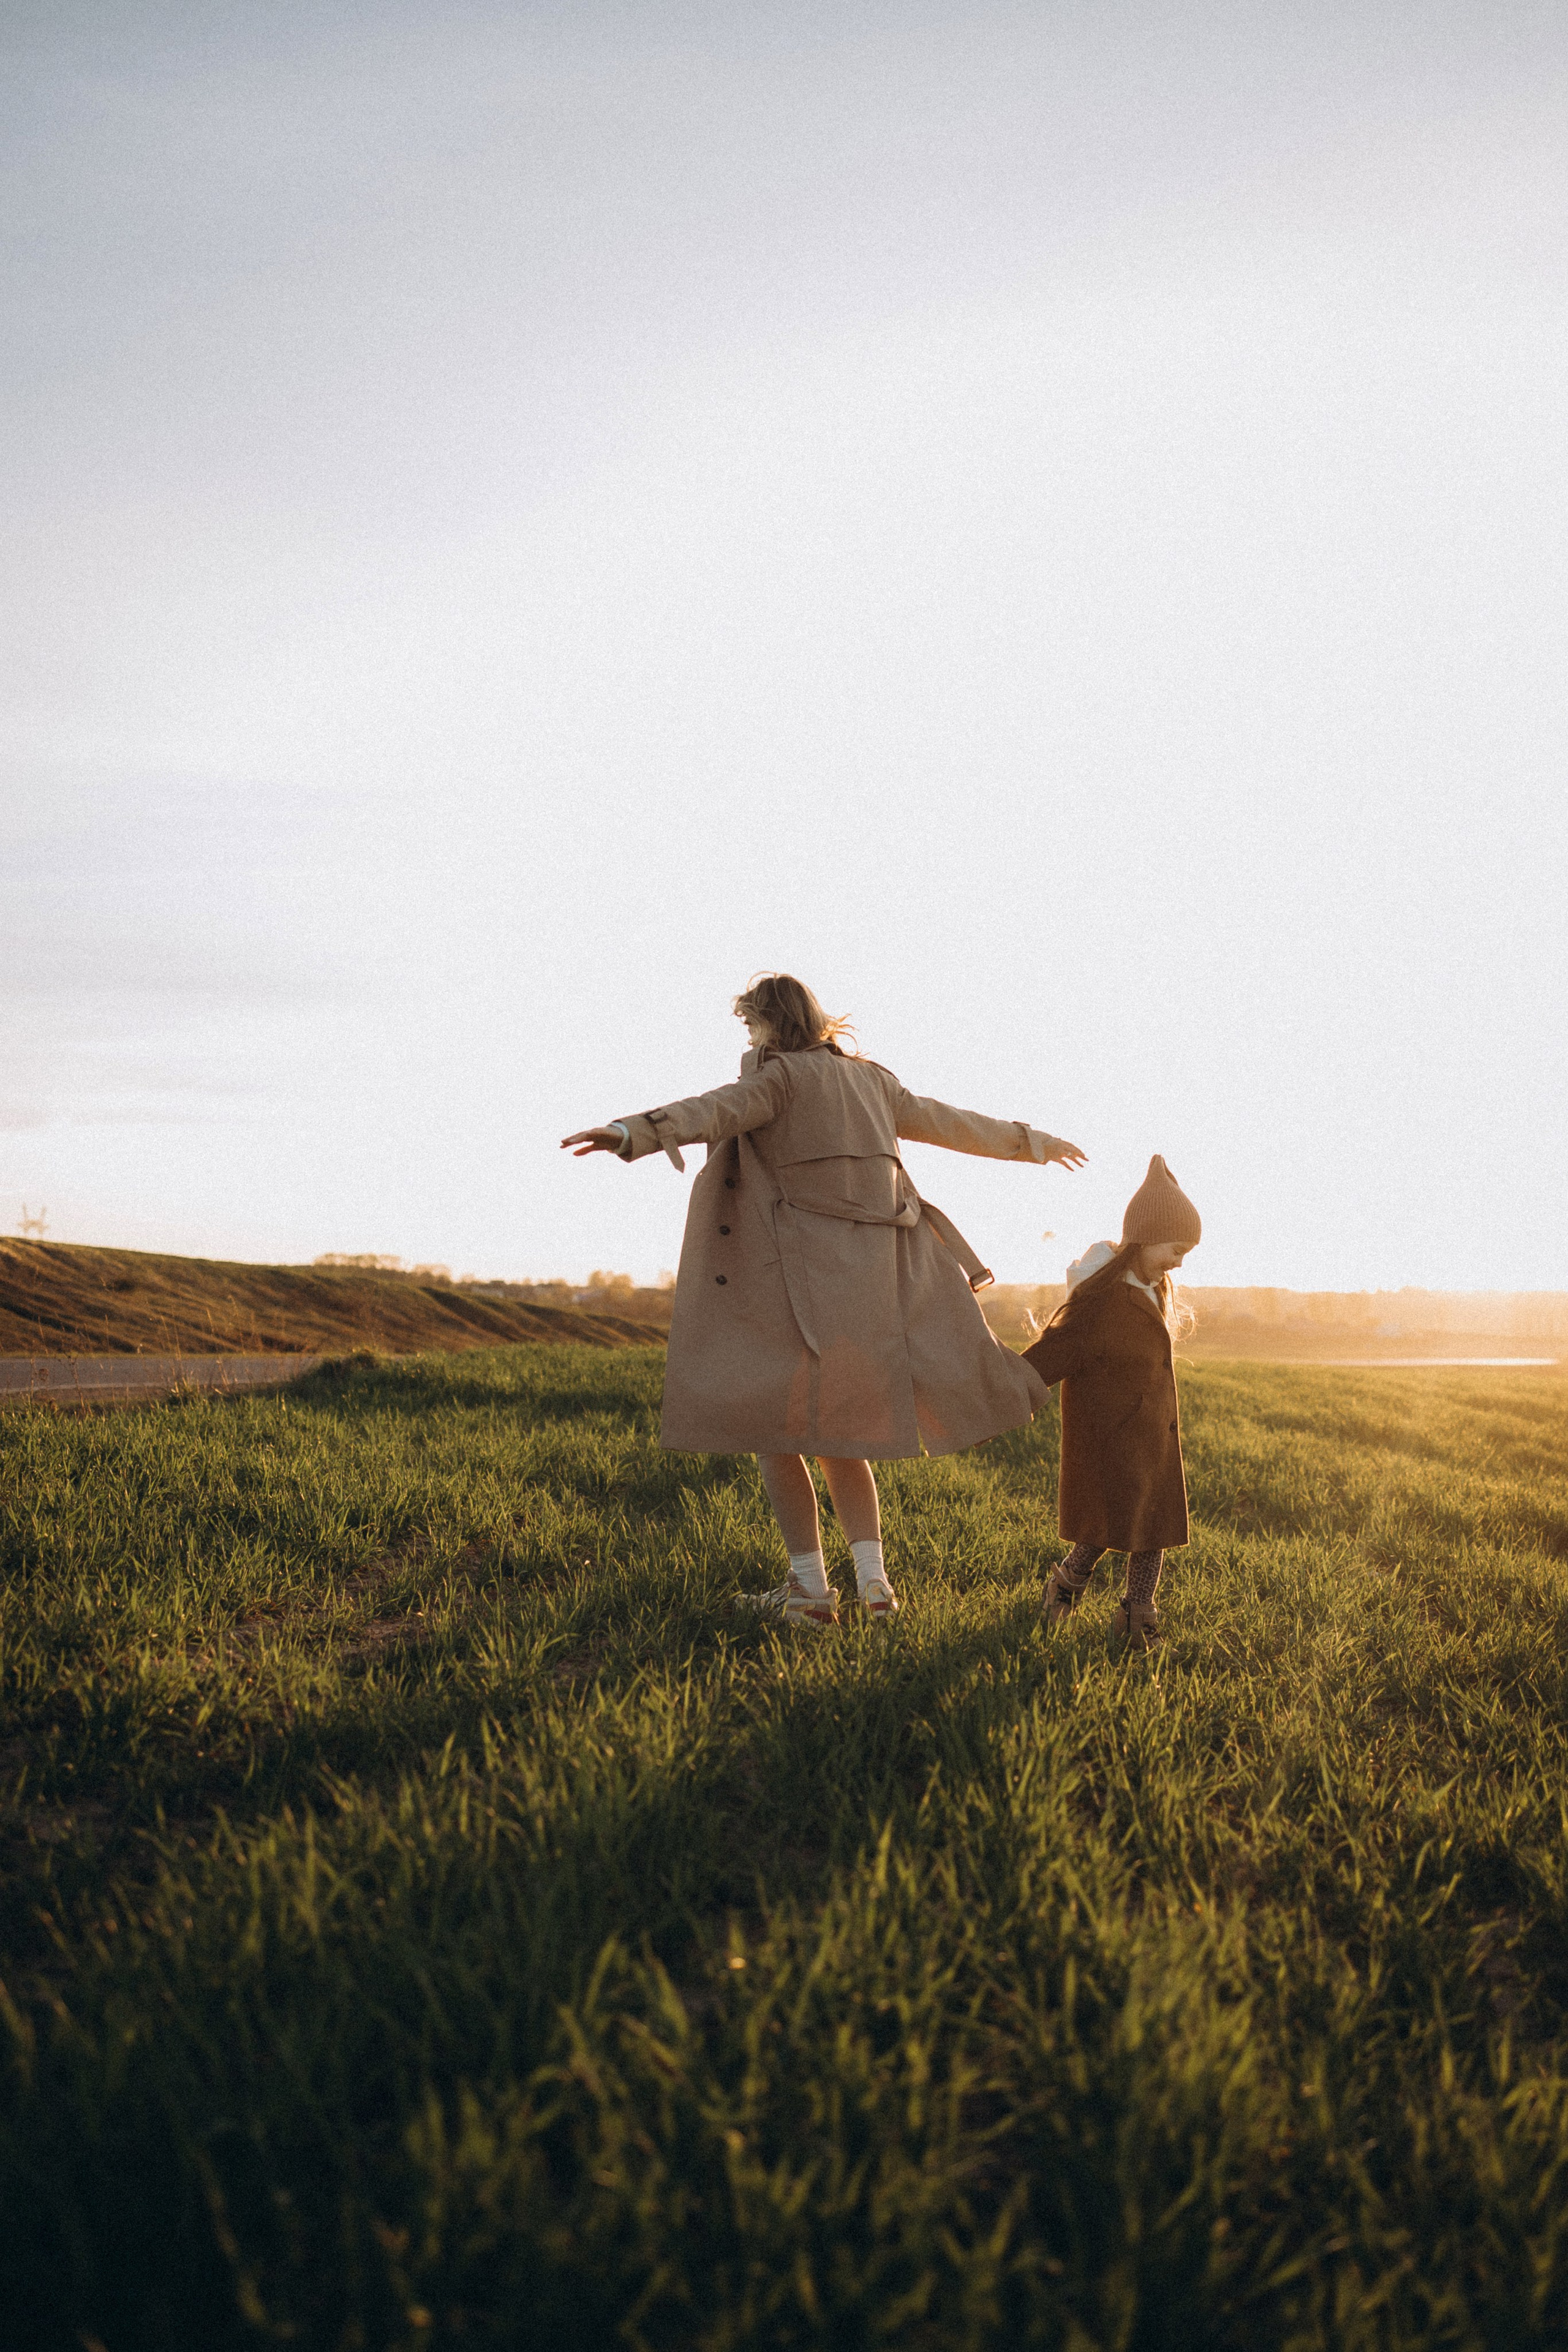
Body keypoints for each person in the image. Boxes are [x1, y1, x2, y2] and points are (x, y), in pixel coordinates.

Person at [562, 973, 1085, 1627]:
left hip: (791, 1288)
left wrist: (630, 1131)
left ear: (765, 1024)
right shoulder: (873, 1082)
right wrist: (1032, 1143)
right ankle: (876, 1590)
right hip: (872, 1293)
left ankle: (809, 1592)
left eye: (750, 1026)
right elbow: (951, 1123)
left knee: (775, 1435)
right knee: (845, 1438)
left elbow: (714, 1109)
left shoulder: (780, 1078)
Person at [1021, 1155, 1201, 1652]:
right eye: (1176, 1248)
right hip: (1115, 1435)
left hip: (1154, 1437)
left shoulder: (1151, 1289)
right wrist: (1015, 1384)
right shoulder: (1103, 1299)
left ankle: (1131, 1615)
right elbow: (1061, 1350)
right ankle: (1072, 1587)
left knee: (1151, 1531)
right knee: (1110, 1525)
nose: (1180, 1261)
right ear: (1144, 1237)